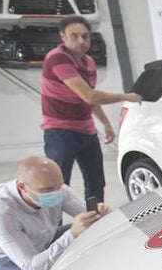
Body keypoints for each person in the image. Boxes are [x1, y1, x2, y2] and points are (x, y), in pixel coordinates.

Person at [41, 15, 142, 203]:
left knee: (96, 183)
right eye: (74, 36)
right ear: (63, 37)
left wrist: (106, 123)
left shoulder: (89, 62)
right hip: (60, 131)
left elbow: (89, 99)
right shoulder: (57, 58)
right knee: (57, 186)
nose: (81, 41)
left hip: (86, 131)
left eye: (85, 36)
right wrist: (125, 97)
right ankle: (53, 222)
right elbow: (89, 95)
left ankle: (95, 217)